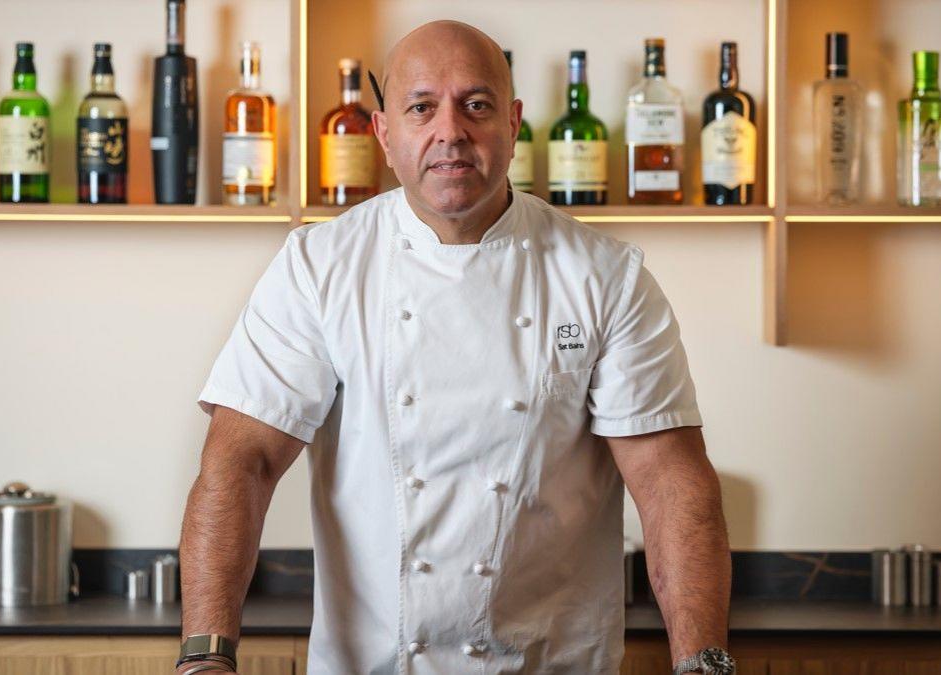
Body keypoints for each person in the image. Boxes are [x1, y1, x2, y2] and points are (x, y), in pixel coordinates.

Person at [175, 19, 732, 675]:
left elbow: (671, 483)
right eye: (421, 108)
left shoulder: (606, 276)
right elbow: (241, 462)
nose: (451, 132)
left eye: (476, 105)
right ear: (384, 134)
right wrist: (205, 655)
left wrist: (704, 662)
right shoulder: (318, 267)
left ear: (514, 122)